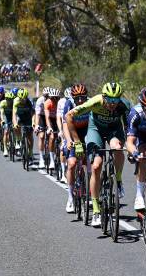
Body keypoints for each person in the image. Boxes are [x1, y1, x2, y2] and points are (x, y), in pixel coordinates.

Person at [65, 82, 130, 227]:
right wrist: (76, 141)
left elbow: (129, 126)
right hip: (96, 131)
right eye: (110, 100)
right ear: (104, 97)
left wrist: (131, 145)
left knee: (117, 147)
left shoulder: (124, 105)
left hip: (114, 130)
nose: (113, 103)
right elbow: (68, 116)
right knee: (96, 166)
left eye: (116, 100)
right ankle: (95, 211)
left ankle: (118, 181)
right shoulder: (95, 102)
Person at [62, 84, 88, 213]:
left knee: (90, 162)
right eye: (77, 98)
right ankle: (70, 197)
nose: (80, 101)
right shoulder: (69, 104)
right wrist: (68, 140)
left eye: (82, 98)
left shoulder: (89, 104)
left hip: (86, 132)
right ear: (73, 97)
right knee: (71, 164)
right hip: (72, 132)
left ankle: (87, 188)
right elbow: (65, 124)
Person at [12, 88, 34, 163]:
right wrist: (15, 123)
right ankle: (18, 140)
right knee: (16, 126)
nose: (23, 100)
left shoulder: (30, 101)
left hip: (28, 117)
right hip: (19, 116)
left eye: (24, 99)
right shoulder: (16, 101)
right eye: (21, 99)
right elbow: (14, 114)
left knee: (30, 136)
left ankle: (30, 153)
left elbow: (33, 114)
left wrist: (33, 123)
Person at [44, 88, 61, 170]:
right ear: (50, 98)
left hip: (58, 120)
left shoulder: (60, 103)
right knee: (52, 137)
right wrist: (49, 128)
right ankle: (51, 160)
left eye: (56, 98)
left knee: (61, 138)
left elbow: (63, 117)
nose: (54, 100)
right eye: (52, 98)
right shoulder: (47, 103)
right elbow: (47, 117)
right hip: (50, 120)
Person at [34, 87, 50, 168]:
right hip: (42, 117)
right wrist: (36, 125)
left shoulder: (54, 100)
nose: (46, 97)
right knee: (41, 136)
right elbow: (37, 114)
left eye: (48, 96)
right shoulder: (40, 100)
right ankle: (41, 159)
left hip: (51, 117)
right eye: (45, 96)